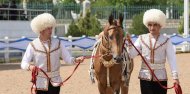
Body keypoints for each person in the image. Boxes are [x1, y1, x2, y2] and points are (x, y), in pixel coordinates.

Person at [21, 13, 84, 94]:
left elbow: (67, 59)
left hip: (55, 82)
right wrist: (30, 67)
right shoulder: (32, 45)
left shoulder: (58, 43)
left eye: (51, 28)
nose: (51, 31)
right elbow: (23, 63)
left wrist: (76, 60)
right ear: (41, 29)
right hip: (40, 83)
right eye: (48, 28)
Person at [127, 9, 180, 94]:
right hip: (145, 77)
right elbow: (131, 55)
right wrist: (129, 44)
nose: (152, 27)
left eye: (155, 25)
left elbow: (172, 59)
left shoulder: (166, 40)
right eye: (150, 25)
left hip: (161, 77)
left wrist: (175, 77)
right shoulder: (141, 39)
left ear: (160, 25)